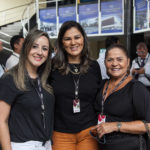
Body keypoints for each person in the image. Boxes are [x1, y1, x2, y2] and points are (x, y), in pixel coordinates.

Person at [49, 21, 102, 150]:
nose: (73, 43)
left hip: (88, 131)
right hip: (60, 133)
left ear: (83, 39)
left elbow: (98, 99)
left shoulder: (94, 67)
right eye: (67, 39)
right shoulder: (51, 66)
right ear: (62, 42)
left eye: (77, 37)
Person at [0, 30, 54, 150]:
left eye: (45, 49)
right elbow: (1, 120)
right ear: (26, 48)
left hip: (45, 144)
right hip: (22, 146)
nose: (40, 52)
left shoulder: (45, 79)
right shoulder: (10, 78)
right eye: (35, 46)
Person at [91, 44, 150, 150]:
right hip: (102, 145)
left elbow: (148, 126)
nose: (114, 64)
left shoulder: (136, 88)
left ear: (128, 62)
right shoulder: (102, 84)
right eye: (110, 60)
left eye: (119, 59)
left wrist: (115, 126)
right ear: (105, 63)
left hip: (129, 146)